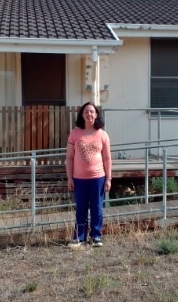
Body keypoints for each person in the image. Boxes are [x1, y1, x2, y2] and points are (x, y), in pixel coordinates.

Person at [66, 102, 112, 247]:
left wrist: (108, 178)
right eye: (86, 111)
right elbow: (69, 157)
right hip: (79, 179)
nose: (89, 114)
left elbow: (107, 158)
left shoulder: (102, 134)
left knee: (97, 208)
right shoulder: (75, 133)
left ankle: (96, 236)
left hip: (98, 178)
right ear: (82, 114)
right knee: (81, 208)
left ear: (96, 114)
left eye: (92, 111)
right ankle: (79, 237)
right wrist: (69, 178)